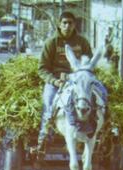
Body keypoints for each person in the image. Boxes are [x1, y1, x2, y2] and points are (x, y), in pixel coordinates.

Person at [38, 11, 92, 143]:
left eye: (70, 23)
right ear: (59, 24)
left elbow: (89, 64)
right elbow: (42, 68)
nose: (67, 26)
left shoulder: (82, 42)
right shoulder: (51, 43)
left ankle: (93, 128)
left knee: (94, 99)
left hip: (77, 81)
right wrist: (54, 81)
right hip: (57, 81)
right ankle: (45, 134)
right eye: (64, 23)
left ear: (74, 25)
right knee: (49, 102)